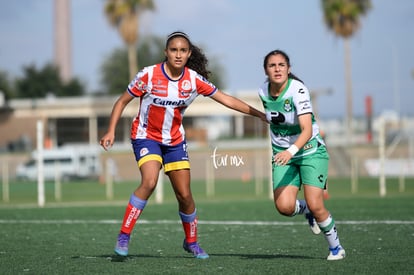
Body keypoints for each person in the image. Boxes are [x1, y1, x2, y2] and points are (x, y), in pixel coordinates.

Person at [100, 31, 267, 259]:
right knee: (149, 182)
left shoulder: (194, 80)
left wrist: (258, 114)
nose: (178, 55)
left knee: (185, 195)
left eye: (182, 51)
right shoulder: (148, 75)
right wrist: (110, 130)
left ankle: (191, 242)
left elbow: (226, 99)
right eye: (173, 50)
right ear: (166, 52)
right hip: (146, 136)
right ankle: (124, 236)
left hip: (175, 141)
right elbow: (122, 101)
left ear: (189, 54)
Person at [258, 49, 345, 260]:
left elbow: (306, 129)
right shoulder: (263, 91)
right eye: (272, 65)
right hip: (282, 154)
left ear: (288, 68)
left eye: (281, 65)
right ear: (265, 70)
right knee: (284, 207)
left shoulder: (298, 90)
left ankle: (336, 248)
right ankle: (307, 211)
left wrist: (291, 151)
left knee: (317, 204)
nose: (277, 69)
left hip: (310, 151)